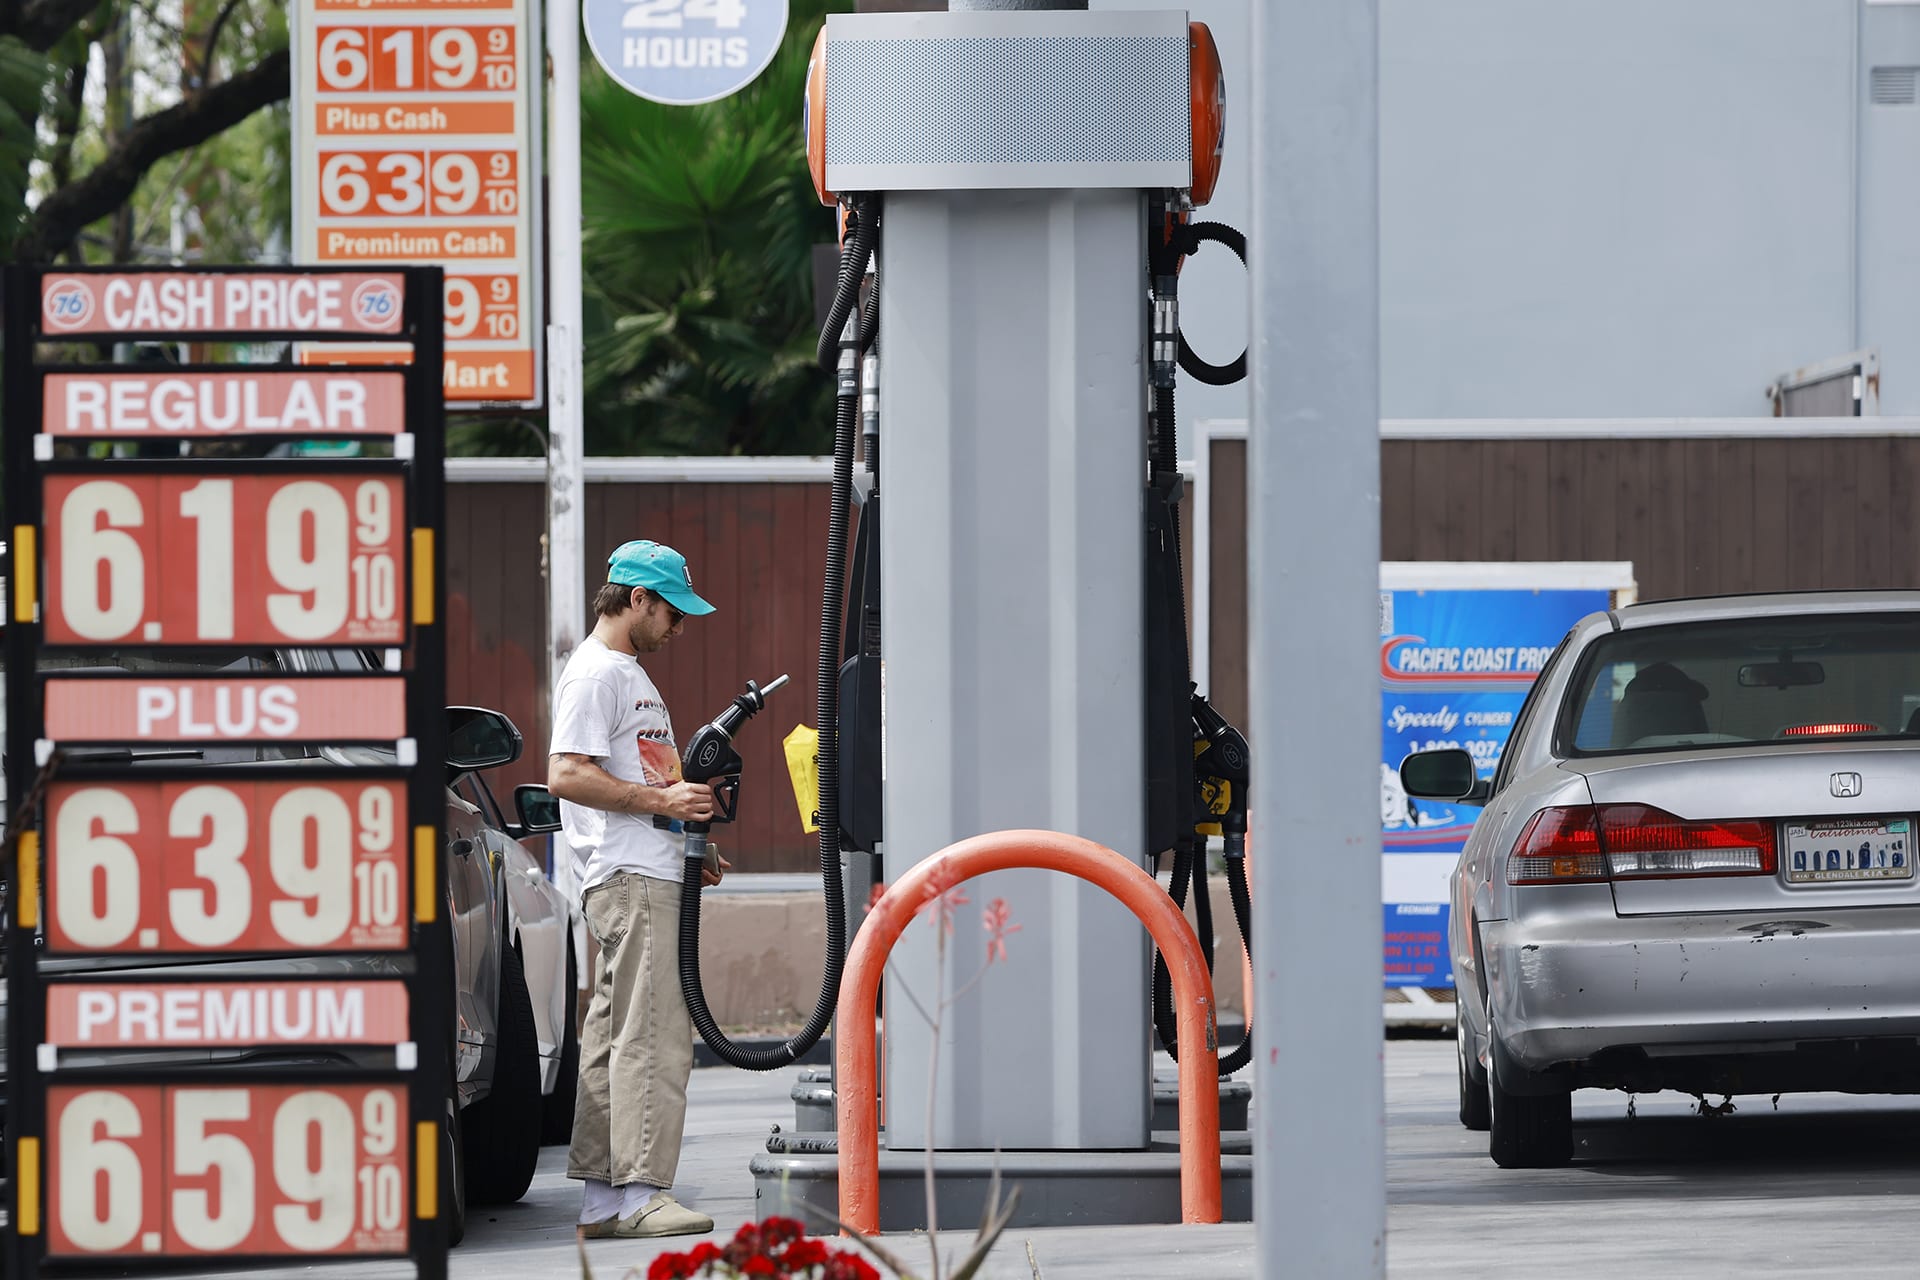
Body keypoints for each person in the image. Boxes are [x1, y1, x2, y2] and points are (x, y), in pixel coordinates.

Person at [548, 538, 729, 1239]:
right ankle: (643, 1195)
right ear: (636, 600)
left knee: (613, 1039)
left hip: (640, 871)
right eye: (672, 612)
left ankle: (603, 1199)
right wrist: (663, 811)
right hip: (631, 882)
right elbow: (567, 774)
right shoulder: (598, 675)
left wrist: (693, 845)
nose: (679, 628)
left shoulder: (624, 675)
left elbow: (652, 786)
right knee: (654, 1038)